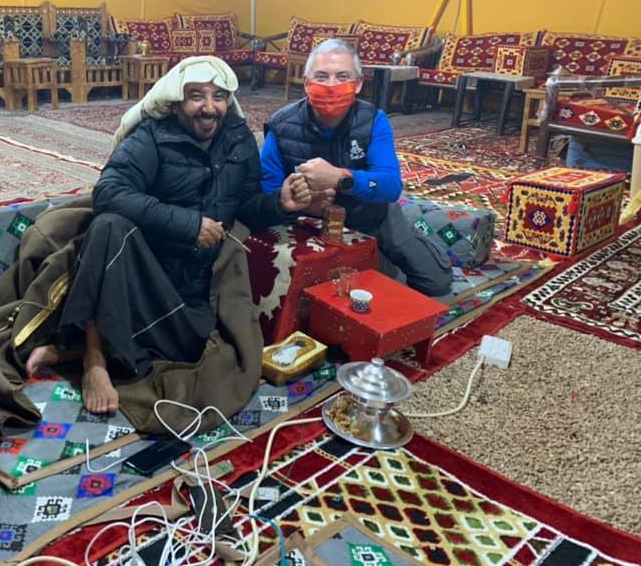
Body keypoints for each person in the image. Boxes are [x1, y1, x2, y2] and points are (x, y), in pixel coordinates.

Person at [22, 56, 311, 413]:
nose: (209, 108)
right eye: (196, 96)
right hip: (139, 270)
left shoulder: (238, 139)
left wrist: (279, 203)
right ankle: (94, 360)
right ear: (175, 103)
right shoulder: (151, 137)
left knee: (196, 350)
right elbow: (109, 192)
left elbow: (247, 205)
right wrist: (189, 225)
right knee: (108, 225)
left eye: (219, 96)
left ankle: (76, 349)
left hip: (194, 282)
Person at [260, 38, 452, 297]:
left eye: (342, 77)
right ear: (306, 83)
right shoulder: (281, 125)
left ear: (358, 83)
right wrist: (300, 203)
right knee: (349, 291)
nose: (331, 86)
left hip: (370, 214)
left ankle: (408, 237)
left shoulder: (373, 120)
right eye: (321, 76)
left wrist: (340, 178)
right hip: (309, 224)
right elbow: (266, 194)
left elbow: (391, 186)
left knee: (435, 283)